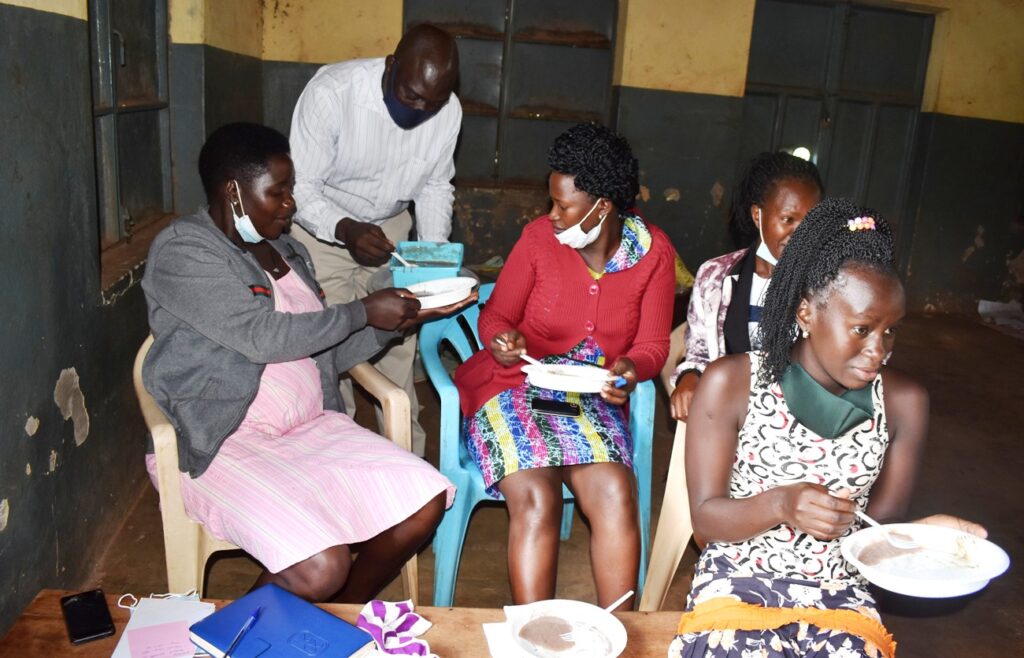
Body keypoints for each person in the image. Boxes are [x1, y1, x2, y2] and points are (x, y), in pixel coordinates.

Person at [141, 122, 473, 603]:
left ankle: (331, 617)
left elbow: (326, 352)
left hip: (310, 427)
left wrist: (397, 319)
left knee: (425, 501)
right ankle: (241, 639)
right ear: (232, 191)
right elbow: (261, 336)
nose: (290, 203)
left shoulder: (287, 251)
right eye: (278, 191)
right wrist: (362, 309)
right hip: (225, 441)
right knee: (321, 566)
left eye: (291, 190)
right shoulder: (185, 249)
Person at [670, 197, 987, 657]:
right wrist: (782, 503)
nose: (879, 351)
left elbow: (875, 533)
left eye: (891, 330)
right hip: (738, 579)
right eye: (862, 329)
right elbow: (706, 523)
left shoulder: (903, 403)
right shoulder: (732, 383)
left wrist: (924, 535)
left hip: (840, 591)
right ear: (806, 313)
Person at [453, 123, 676, 610]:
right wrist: (502, 340)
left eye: (564, 205)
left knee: (617, 491)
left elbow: (655, 343)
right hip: (514, 386)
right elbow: (496, 315)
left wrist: (630, 369)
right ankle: (536, 637)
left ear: (604, 205)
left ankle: (621, 630)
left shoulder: (654, 252)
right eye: (551, 202)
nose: (552, 215)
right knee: (538, 498)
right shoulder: (538, 240)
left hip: (588, 396)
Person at [289, 24, 462, 456]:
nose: (422, 111)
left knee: (397, 343)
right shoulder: (332, 93)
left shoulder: (448, 111)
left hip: (392, 231)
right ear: (390, 66)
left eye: (433, 102)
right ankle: (335, 456)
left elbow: (435, 186)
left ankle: (405, 461)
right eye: (412, 97)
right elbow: (302, 186)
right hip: (321, 237)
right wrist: (345, 229)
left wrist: (432, 256)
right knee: (326, 349)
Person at [670, 152, 822, 421]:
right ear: (757, 215)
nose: (800, 236)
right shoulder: (716, 276)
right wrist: (689, 377)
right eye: (787, 219)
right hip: (731, 414)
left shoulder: (830, 283)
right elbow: (699, 354)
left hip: (803, 420)